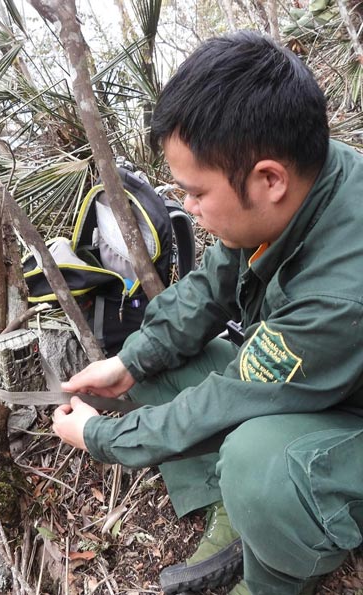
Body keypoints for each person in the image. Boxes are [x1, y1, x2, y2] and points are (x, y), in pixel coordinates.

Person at [51, 31, 363, 595]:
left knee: (256, 460)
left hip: (352, 418)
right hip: (320, 379)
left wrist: (103, 437)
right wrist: (131, 362)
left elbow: (226, 402)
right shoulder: (303, 182)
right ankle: (232, 511)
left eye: (195, 194)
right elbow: (209, 286)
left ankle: (274, 576)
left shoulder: (344, 288)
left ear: (269, 179)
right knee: (157, 364)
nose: (187, 209)